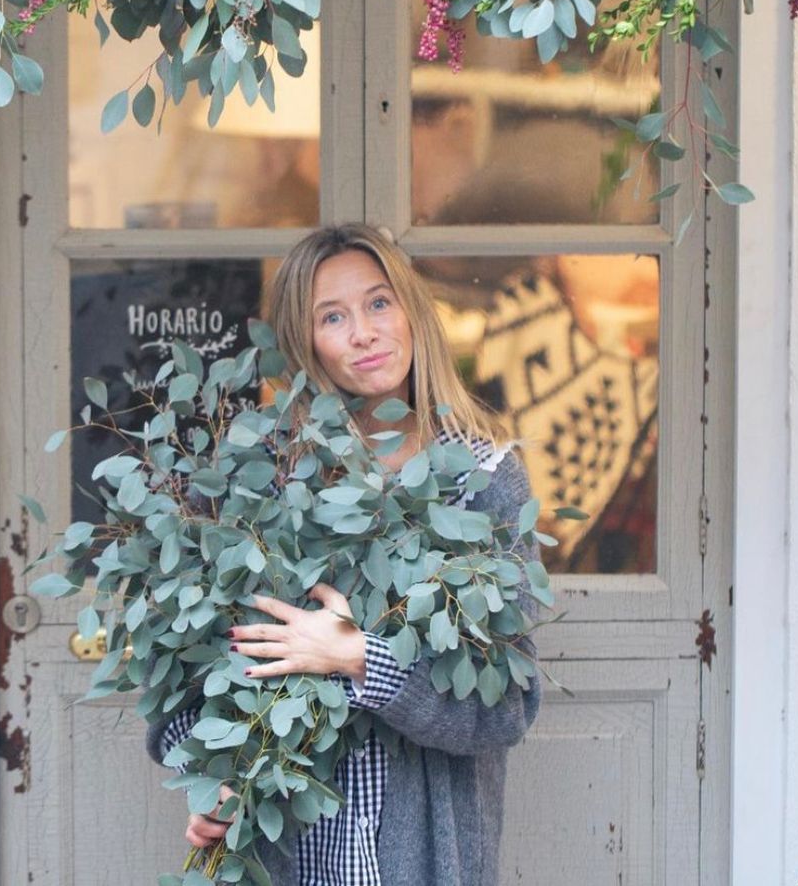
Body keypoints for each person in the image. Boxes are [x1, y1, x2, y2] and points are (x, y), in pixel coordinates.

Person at [145, 223, 540, 885]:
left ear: (412, 312)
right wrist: (209, 777)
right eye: (334, 316)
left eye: (379, 303)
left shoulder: (482, 482)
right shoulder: (259, 483)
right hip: (284, 859)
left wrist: (360, 658)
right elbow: (183, 679)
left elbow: (506, 706)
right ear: (307, 347)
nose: (364, 332)